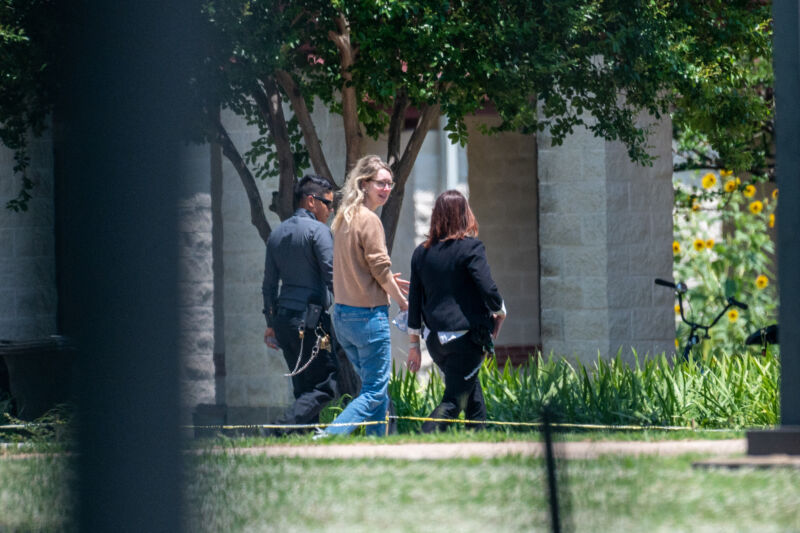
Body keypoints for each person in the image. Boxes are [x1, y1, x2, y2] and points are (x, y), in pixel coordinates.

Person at [322, 155, 408, 437]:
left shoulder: (343, 218)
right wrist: (402, 300)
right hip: (368, 318)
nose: (386, 189)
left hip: (344, 318)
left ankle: (375, 447)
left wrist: (381, 281)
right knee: (373, 391)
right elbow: (381, 268)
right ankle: (327, 438)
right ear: (364, 183)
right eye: (381, 183)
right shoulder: (369, 220)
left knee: (377, 392)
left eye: (389, 184)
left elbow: (360, 268)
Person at [406, 190, 506, 433]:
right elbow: (487, 287)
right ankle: (420, 440)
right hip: (465, 340)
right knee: (453, 401)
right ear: (464, 214)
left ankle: (479, 440)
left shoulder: (421, 253)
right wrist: (500, 310)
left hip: (435, 343)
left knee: (471, 394)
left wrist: (413, 346)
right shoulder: (471, 248)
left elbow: (415, 301)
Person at [262, 174, 338, 433]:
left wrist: (271, 325)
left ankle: (304, 439)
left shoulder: (277, 234)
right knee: (326, 385)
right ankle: (279, 428)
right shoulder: (319, 231)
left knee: (303, 386)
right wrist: (352, 308)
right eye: (328, 204)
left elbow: (269, 286)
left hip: (284, 321)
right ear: (310, 201)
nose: (331, 210)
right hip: (311, 320)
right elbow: (332, 276)